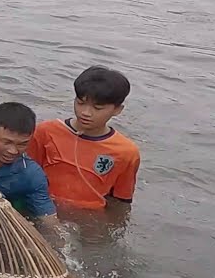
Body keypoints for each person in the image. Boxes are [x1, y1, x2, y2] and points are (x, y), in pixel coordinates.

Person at [29, 67, 140, 212]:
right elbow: (25, 173)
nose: (85, 113)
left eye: (97, 108)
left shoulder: (126, 152)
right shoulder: (45, 132)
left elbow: (121, 202)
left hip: (89, 216)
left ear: (118, 110)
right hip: (43, 209)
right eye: (80, 103)